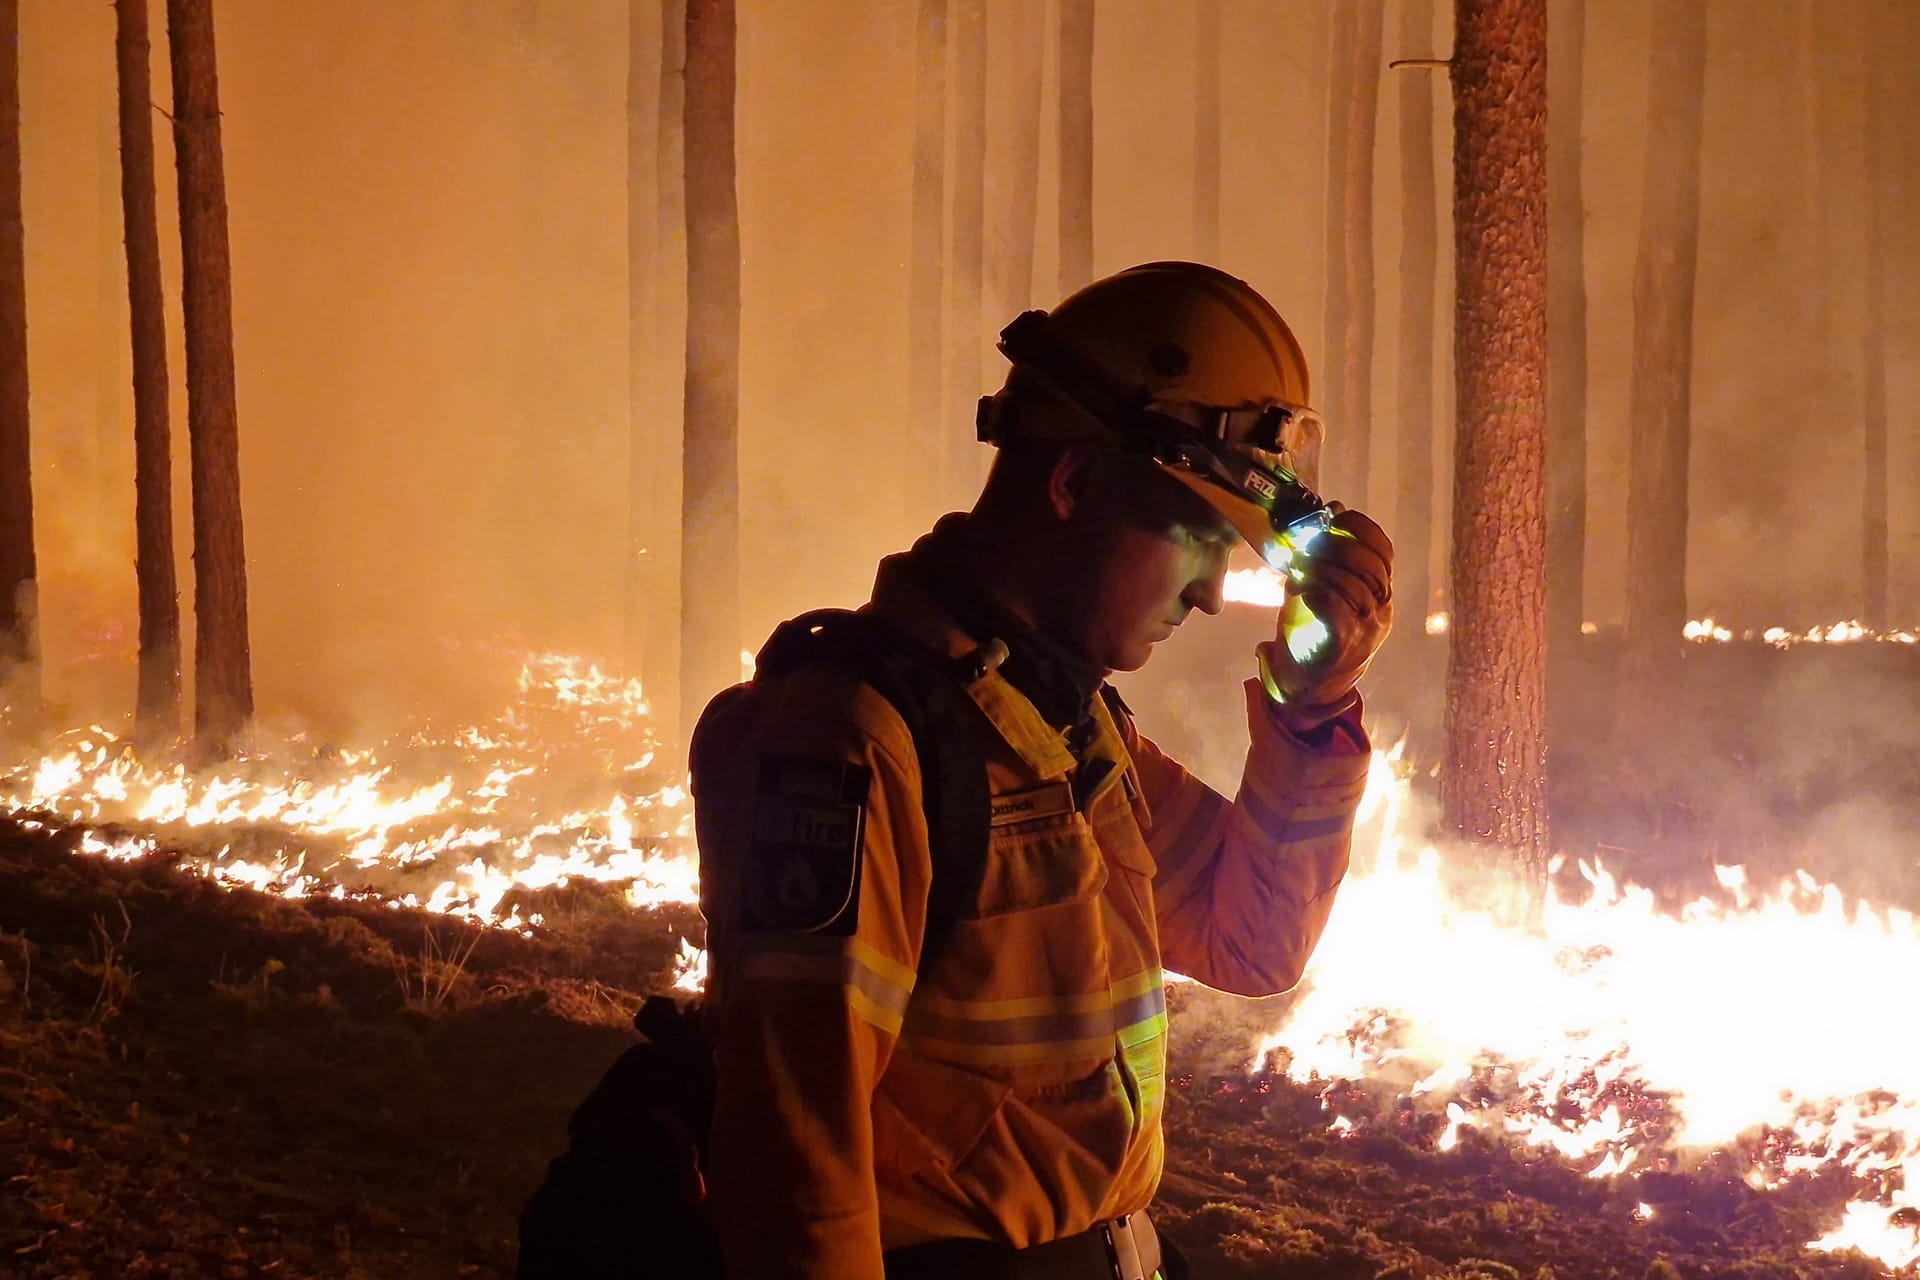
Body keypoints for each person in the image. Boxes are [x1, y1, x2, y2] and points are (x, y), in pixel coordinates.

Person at [689, 261, 1393, 1279]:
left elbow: (1254, 939)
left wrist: (1312, 704)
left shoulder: (1065, 729)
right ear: (1074, 481)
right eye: (1198, 538)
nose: (1206, 596)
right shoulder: (860, 743)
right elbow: (799, 1170)